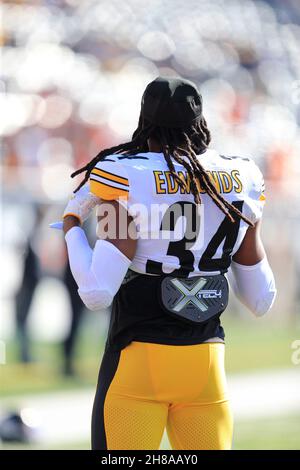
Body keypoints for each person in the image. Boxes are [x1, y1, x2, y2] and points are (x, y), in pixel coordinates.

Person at [61, 77, 276, 450]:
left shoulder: (123, 173)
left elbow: (97, 292)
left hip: (138, 363)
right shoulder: (243, 175)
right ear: (200, 120)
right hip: (207, 367)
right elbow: (261, 300)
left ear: (144, 120)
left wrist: (70, 225)